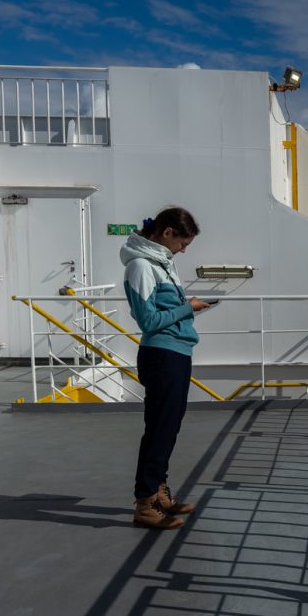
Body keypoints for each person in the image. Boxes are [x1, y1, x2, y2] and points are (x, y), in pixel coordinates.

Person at [120, 207, 211, 529]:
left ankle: (157, 492)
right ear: (167, 233)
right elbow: (147, 321)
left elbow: (163, 311)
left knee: (167, 428)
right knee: (160, 429)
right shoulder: (143, 267)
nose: (184, 250)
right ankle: (144, 503)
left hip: (174, 352)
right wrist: (189, 308)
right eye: (183, 243)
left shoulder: (160, 263)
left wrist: (186, 308)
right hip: (162, 355)